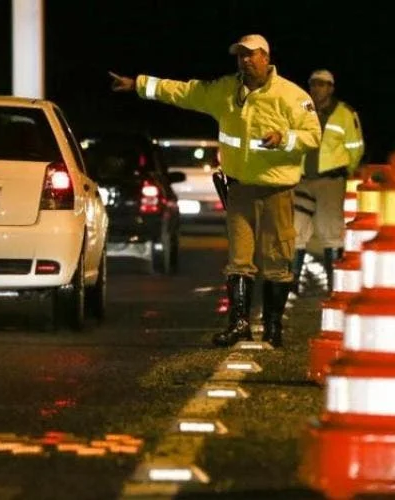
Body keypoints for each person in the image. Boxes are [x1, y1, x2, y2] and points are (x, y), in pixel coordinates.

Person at [110, 34, 321, 348]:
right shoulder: (225, 91)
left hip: (276, 190)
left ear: (266, 57)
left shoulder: (292, 96)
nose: (245, 61)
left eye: (250, 55)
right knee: (239, 260)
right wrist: (139, 84)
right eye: (240, 56)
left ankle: (274, 327)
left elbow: (313, 136)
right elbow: (185, 92)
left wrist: (284, 138)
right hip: (239, 189)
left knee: (277, 259)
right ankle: (239, 324)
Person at [291, 69, 364, 294]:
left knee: (330, 232)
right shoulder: (300, 110)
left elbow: (356, 147)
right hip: (302, 180)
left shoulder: (345, 113)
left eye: (322, 84)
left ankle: (335, 286)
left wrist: (344, 172)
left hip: (330, 181)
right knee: (295, 232)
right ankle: (290, 283)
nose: (316, 88)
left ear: (331, 88)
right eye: (313, 84)